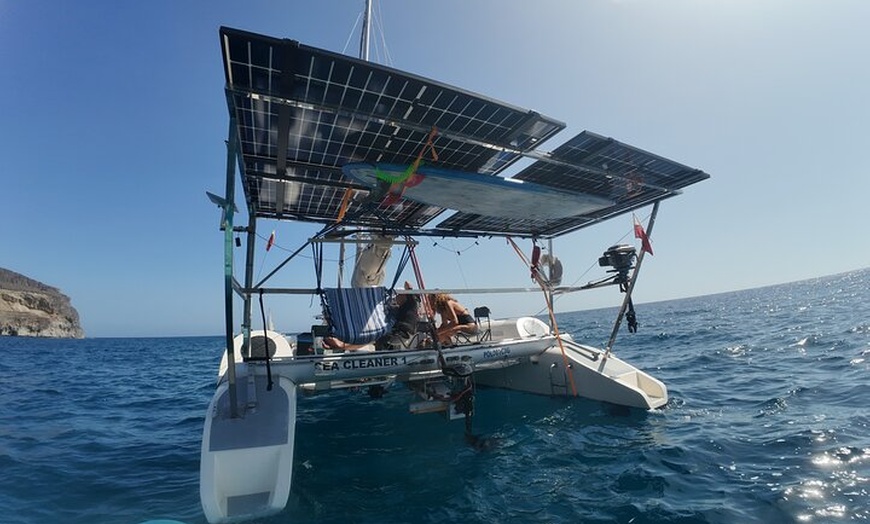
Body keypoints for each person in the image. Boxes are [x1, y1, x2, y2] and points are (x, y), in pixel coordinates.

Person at [376, 281, 420, 350]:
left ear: (404, 295)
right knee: (381, 334)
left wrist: (407, 291)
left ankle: (379, 356)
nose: (396, 298)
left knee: (379, 337)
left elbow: (407, 284)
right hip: (401, 333)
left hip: (403, 334)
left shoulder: (411, 303)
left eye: (397, 296)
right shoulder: (399, 308)